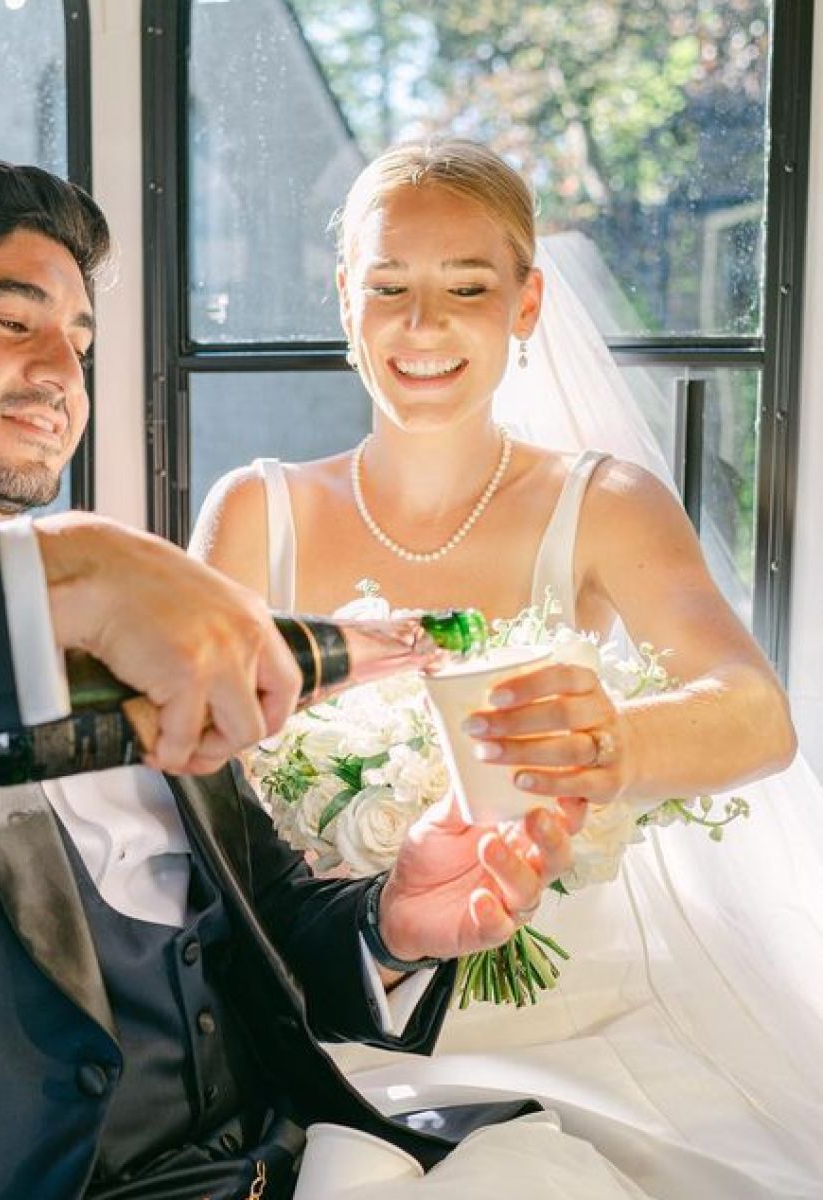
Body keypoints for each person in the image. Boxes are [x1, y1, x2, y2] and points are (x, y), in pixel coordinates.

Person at [0, 156, 597, 1200]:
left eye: (80, 343)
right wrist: (43, 578)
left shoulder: (132, 623)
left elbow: (257, 926)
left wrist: (391, 927)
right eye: (12, 322)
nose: (61, 372)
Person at [191, 139, 823, 1198]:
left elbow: (758, 716)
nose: (423, 325)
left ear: (526, 307)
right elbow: (195, 779)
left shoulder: (605, 502)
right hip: (342, 1009)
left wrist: (607, 744)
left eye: (467, 289)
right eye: (388, 286)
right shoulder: (257, 512)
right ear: (346, 300)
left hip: (569, 1010)